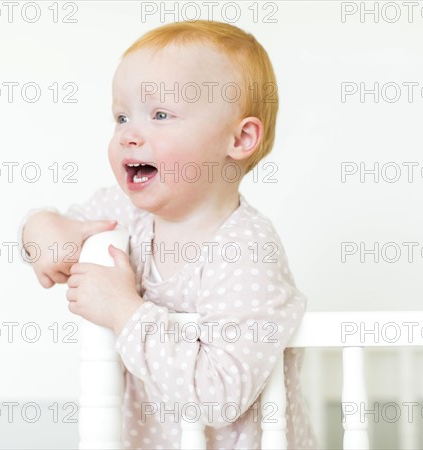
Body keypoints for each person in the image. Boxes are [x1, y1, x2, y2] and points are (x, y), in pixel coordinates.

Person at [21, 20, 316, 449]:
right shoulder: (126, 216)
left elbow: (221, 394)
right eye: (121, 117)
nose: (128, 134)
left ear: (240, 138)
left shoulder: (245, 251)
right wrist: (42, 231)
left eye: (160, 114)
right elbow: (60, 223)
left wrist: (124, 309)